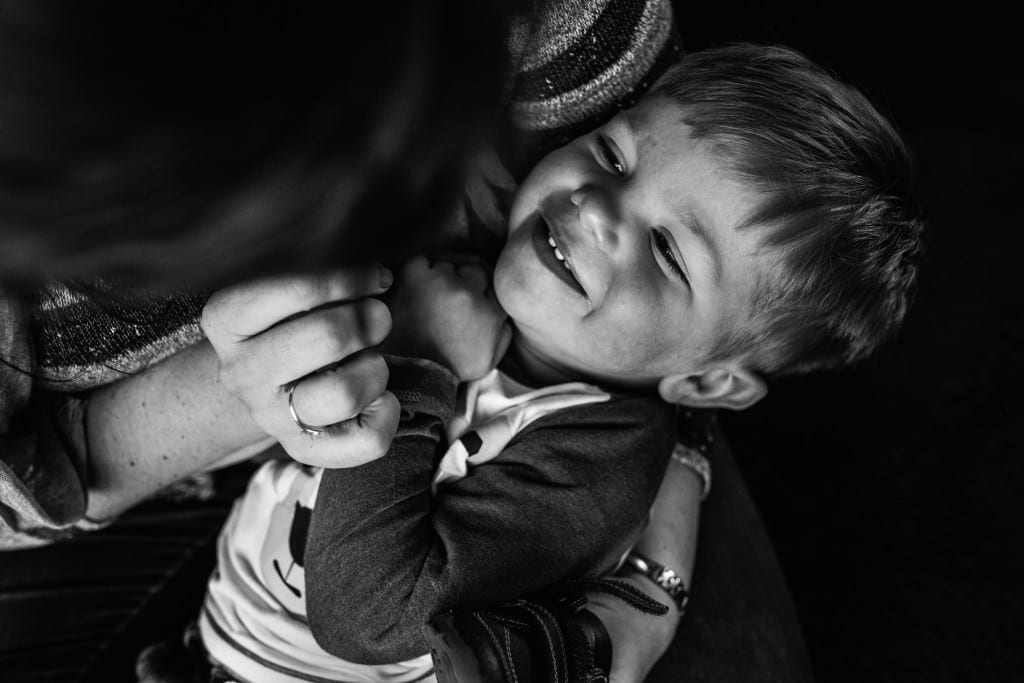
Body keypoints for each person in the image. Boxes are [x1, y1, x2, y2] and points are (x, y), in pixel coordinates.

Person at [184, 43, 924, 683]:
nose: (598, 206)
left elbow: (368, 617)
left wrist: (421, 359)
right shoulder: (503, 300)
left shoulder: (591, 470)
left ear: (703, 382)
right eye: (613, 153)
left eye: (668, 252)